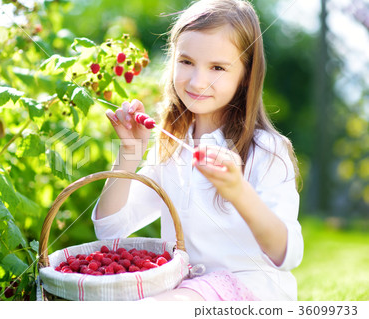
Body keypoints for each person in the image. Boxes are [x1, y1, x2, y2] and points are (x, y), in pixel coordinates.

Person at [92, 0, 303, 301]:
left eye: (218, 67)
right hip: (184, 293)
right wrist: (129, 152)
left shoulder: (266, 150)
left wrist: (237, 191)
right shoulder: (170, 149)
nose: (197, 81)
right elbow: (110, 229)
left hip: (250, 295)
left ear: (245, 76)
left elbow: (288, 254)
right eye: (186, 61)